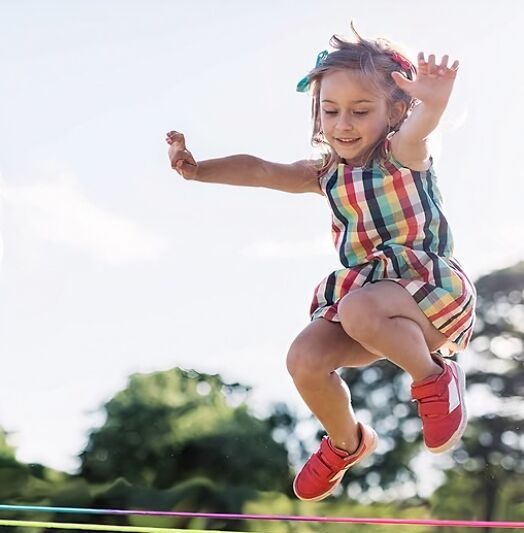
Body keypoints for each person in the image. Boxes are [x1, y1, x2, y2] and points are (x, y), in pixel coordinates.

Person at [166, 27, 475, 501]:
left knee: (356, 309)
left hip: (429, 299)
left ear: (394, 111)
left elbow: (421, 127)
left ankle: (436, 378)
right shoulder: (327, 173)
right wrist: (198, 169)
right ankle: (348, 442)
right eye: (331, 111)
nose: (343, 124)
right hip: (372, 307)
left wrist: (431, 104)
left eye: (360, 111)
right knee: (304, 359)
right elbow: (262, 170)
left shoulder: (402, 154)